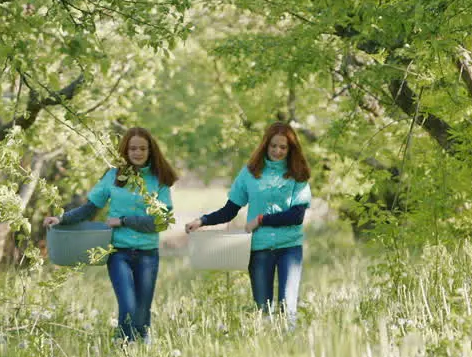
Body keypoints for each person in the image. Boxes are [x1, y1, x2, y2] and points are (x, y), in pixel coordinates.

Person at [44, 127, 177, 341]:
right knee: (127, 306)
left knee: (142, 312)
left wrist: (124, 221)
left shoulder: (158, 181)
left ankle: (141, 348)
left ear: (150, 151)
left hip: (147, 254)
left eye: (143, 148)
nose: (138, 152)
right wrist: (61, 219)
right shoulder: (113, 176)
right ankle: (123, 346)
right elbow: (89, 208)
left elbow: (160, 222)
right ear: (125, 150)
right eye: (133, 148)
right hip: (118, 253)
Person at [186, 122, 311, 324]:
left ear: (290, 149)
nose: (277, 151)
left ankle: (290, 347)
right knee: (263, 309)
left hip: (289, 247)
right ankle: (265, 349)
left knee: (288, 308)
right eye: (273, 146)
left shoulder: (298, 174)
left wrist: (261, 219)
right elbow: (229, 211)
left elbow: (296, 215)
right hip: (259, 248)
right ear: (265, 145)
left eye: (283, 147)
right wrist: (202, 221)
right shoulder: (250, 173)